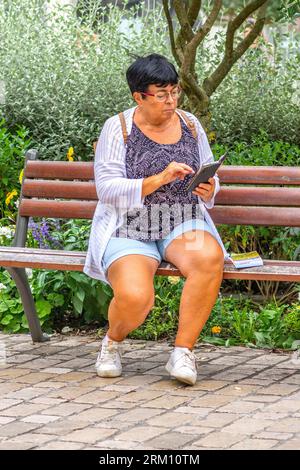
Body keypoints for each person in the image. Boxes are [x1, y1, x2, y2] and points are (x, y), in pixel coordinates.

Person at [84, 53, 228, 386]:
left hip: (181, 220)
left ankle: (183, 351)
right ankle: (113, 342)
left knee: (209, 258)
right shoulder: (117, 128)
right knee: (136, 296)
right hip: (129, 225)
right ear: (139, 96)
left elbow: (209, 167)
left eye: (175, 91)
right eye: (161, 94)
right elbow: (107, 189)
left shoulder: (190, 123)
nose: (171, 100)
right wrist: (158, 179)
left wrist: (209, 187)